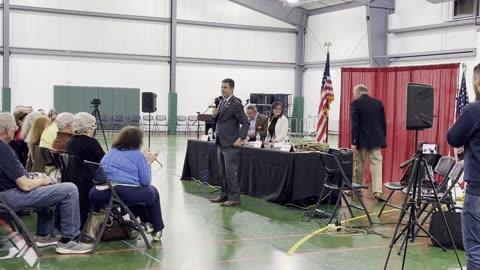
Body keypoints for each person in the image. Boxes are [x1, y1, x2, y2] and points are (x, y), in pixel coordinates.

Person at [0, 113, 92, 254]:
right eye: (13, 127)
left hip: (5, 194)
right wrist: (43, 180)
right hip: (9, 197)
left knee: (50, 187)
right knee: (70, 189)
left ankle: (45, 235)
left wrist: (35, 176)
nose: (15, 129)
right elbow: (25, 185)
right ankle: (69, 240)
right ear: (8, 130)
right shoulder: (4, 150)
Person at [89, 126, 165, 240]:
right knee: (152, 191)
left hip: (98, 193)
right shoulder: (138, 155)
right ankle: (157, 229)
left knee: (132, 195)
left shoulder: (110, 152)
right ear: (138, 141)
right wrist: (148, 162)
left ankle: (147, 222)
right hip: (121, 193)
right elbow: (146, 182)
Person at [447, 63, 480, 269]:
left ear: (477, 82)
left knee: (476, 250)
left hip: (478, 191)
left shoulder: (474, 110)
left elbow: (453, 137)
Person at [209, 78, 249, 207]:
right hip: (221, 142)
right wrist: (214, 115)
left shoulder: (236, 104)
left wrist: (241, 138)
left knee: (231, 172)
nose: (222, 89)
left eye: (225, 87)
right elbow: (222, 121)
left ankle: (234, 198)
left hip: (231, 143)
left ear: (232, 89)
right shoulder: (221, 102)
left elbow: (245, 122)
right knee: (223, 172)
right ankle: (225, 194)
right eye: (221, 87)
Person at [65, 112, 105, 227]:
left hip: (74, 181)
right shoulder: (91, 142)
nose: (93, 130)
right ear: (87, 128)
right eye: (93, 127)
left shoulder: (70, 141)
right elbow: (104, 161)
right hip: (89, 184)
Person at [350, 84, 387, 201]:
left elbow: (355, 124)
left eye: (354, 93)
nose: (354, 95)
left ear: (359, 92)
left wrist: (353, 142)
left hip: (361, 139)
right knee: (377, 164)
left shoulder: (355, 104)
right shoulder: (378, 103)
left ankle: (358, 189)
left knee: (359, 164)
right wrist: (382, 137)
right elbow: (383, 123)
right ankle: (378, 191)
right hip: (376, 139)